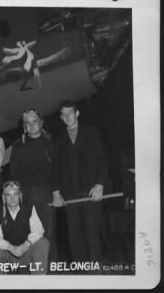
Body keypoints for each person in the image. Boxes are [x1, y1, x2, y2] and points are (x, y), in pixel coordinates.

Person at [52, 100, 108, 264]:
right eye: (64, 114)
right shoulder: (59, 140)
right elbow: (56, 169)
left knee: (92, 234)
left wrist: (100, 185)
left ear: (77, 113)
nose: (68, 116)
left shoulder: (91, 133)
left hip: (91, 193)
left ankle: (96, 273)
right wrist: (56, 193)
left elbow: (102, 160)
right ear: (61, 118)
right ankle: (81, 274)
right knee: (75, 237)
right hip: (70, 196)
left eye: (70, 113)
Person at [10, 109, 57, 262]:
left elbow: (57, 169)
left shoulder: (50, 143)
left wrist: (57, 193)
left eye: (34, 121)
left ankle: (51, 268)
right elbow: (14, 173)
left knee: (47, 232)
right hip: (25, 195)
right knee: (27, 233)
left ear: (41, 123)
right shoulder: (18, 146)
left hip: (45, 193)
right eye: (27, 123)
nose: (31, 125)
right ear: (24, 126)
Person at [0, 181, 49, 274]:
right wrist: (11, 248)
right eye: (8, 195)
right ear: (4, 197)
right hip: (9, 254)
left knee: (43, 243)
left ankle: (38, 282)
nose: (12, 199)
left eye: (15, 194)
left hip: (26, 251)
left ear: (20, 195)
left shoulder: (29, 207)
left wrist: (27, 244)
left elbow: (38, 230)